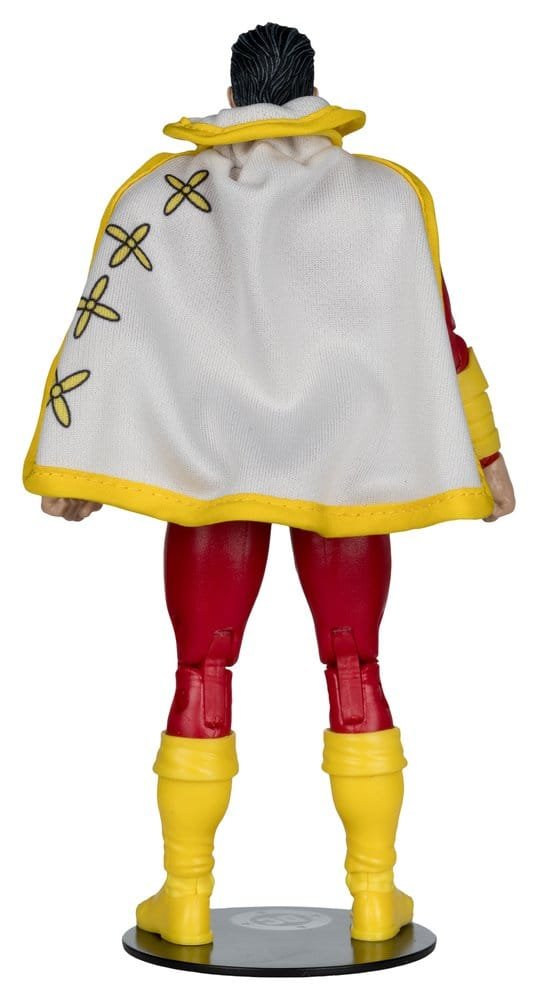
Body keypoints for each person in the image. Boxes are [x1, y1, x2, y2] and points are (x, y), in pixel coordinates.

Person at [23, 22, 515, 947]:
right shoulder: (385, 195)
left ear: (232, 92)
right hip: (348, 471)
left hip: (211, 472)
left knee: (200, 671)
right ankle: (375, 896)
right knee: (357, 669)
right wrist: (484, 452)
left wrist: (75, 453)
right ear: (313, 86)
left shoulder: (162, 193)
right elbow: (436, 333)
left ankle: (186, 897)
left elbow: (106, 322)